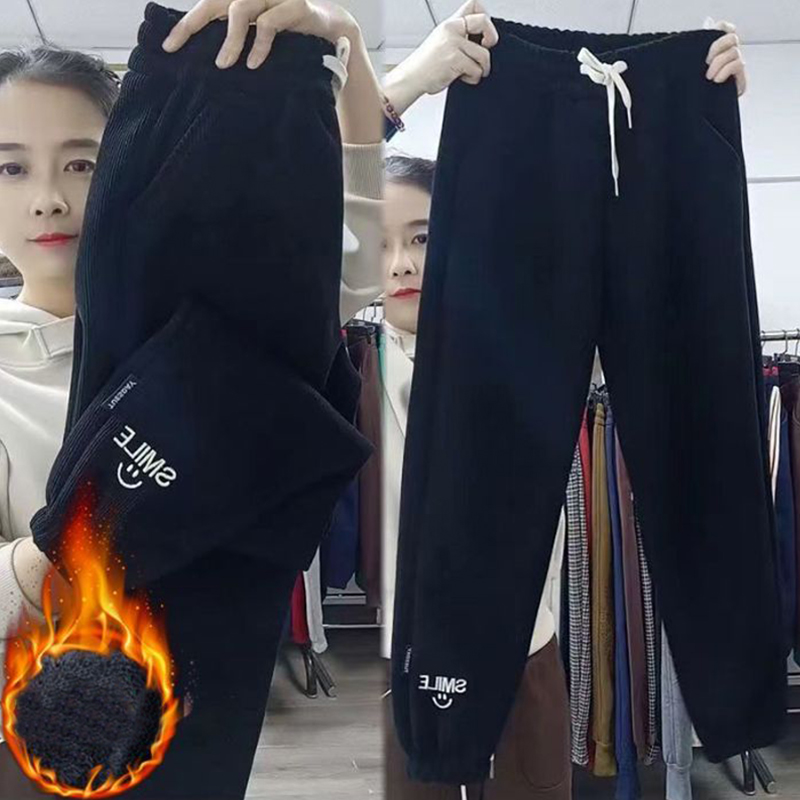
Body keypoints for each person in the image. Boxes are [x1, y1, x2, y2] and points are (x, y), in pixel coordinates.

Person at [0, 0, 383, 780]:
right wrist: (81, 533)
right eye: (10, 168)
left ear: (131, 168)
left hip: (197, 734)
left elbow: (357, 249)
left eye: (82, 163)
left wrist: (341, 49)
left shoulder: (229, 322)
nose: (47, 198)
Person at [378, 5, 748, 797]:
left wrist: (702, 103)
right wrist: (403, 85)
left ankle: (739, 699)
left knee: (706, 426)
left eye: (414, 239)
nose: (401, 263)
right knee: (480, 446)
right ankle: (447, 716)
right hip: (508, 105)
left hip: (678, 109)